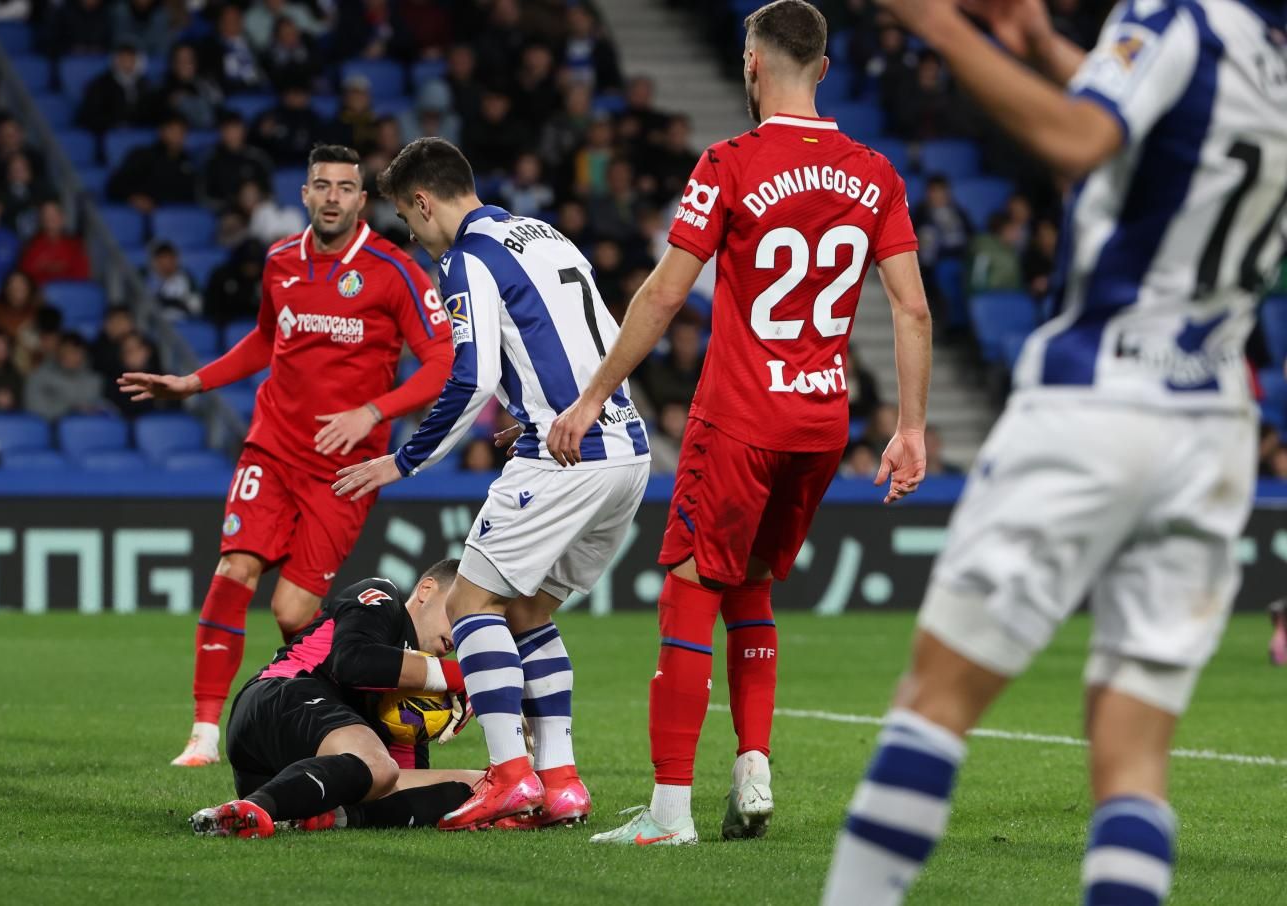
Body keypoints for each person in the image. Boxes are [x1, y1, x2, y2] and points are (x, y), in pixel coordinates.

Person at [822, 0, 1287, 903]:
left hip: (1097, 400)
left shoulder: (1175, 18)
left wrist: (944, 30)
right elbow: (1172, 124)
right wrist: (1040, 46)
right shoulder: (1266, 59)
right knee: (1135, 756)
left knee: (937, 700)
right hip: (1213, 424)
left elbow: (1083, 140)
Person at [544, 0, 931, 845]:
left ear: (751, 65)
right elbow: (911, 311)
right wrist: (911, 427)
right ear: (823, 69)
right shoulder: (876, 172)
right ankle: (752, 764)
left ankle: (670, 811)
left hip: (740, 419)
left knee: (688, 593)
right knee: (750, 585)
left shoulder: (729, 163)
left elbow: (664, 294)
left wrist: (589, 397)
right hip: (823, 425)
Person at [334, 137, 651, 831]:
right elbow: (590, 335)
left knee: (469, 603)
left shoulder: (465, 258)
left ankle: (510, 774)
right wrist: (540, 407)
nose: (416, 242)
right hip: (625, 448)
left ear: (422, 202)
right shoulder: (543, 234)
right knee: (530, 611)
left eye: (410, 224)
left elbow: (469, 378)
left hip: (564, 456)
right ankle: (561, 780)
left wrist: (405, 459)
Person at [117, 144, 453, 768]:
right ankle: (203, 733)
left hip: (343, 469)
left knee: (292, 610)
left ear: (361, 199)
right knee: (232, 570)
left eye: (344, 187)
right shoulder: (279, 262)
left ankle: (337, 709)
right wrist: (194, 382)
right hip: (271, 447)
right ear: (304, 195)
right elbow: (268, 340)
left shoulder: (392, 268)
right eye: (320, 185)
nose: (331, 197)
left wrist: (373, 411)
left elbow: (441, 362)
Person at [192, 559, 480, 838]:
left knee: (421, 781)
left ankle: (270, 811)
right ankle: (249, 810)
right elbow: (353, 662)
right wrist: (471, 676)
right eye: (455, 613)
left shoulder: (421, 700)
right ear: (426, 590)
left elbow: (399, 783)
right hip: (278, 697)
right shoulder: (382, 599)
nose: (459, 633)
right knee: (377, 765)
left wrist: (492, 782)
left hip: (289, 779)